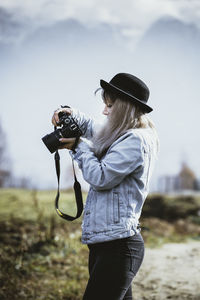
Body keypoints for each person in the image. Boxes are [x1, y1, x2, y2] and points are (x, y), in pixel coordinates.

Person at [52, 73, 159, 300]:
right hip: (106, 244)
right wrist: (72, 115)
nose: (104, 111)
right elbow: (96, 128)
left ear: (124, 108)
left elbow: (100, 176)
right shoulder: (123, 134)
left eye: (110, 106)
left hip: (119, 248)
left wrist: (78, 146)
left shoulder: (136, 140)